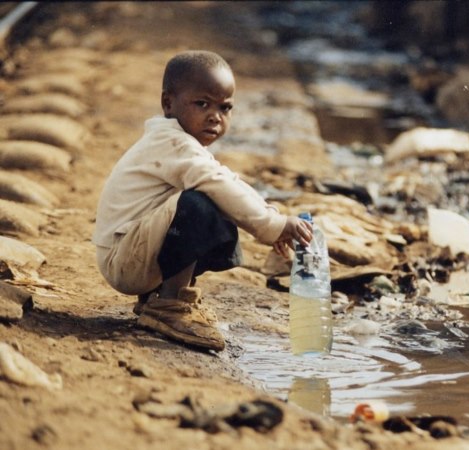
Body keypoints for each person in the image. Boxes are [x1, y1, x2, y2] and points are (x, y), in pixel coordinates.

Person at [92, 50, 313, 352]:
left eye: (225, 107)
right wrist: (272, 226)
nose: (215, 116)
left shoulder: (182, 143)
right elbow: (218, 183)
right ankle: (169, 306)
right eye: (202, 104)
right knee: (200, 205)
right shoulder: (171, 142)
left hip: (134, 253)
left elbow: (227, 181)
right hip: (124, 260)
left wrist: (271, 216)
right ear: (168, 103)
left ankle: (159, 297)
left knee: (218, 205)